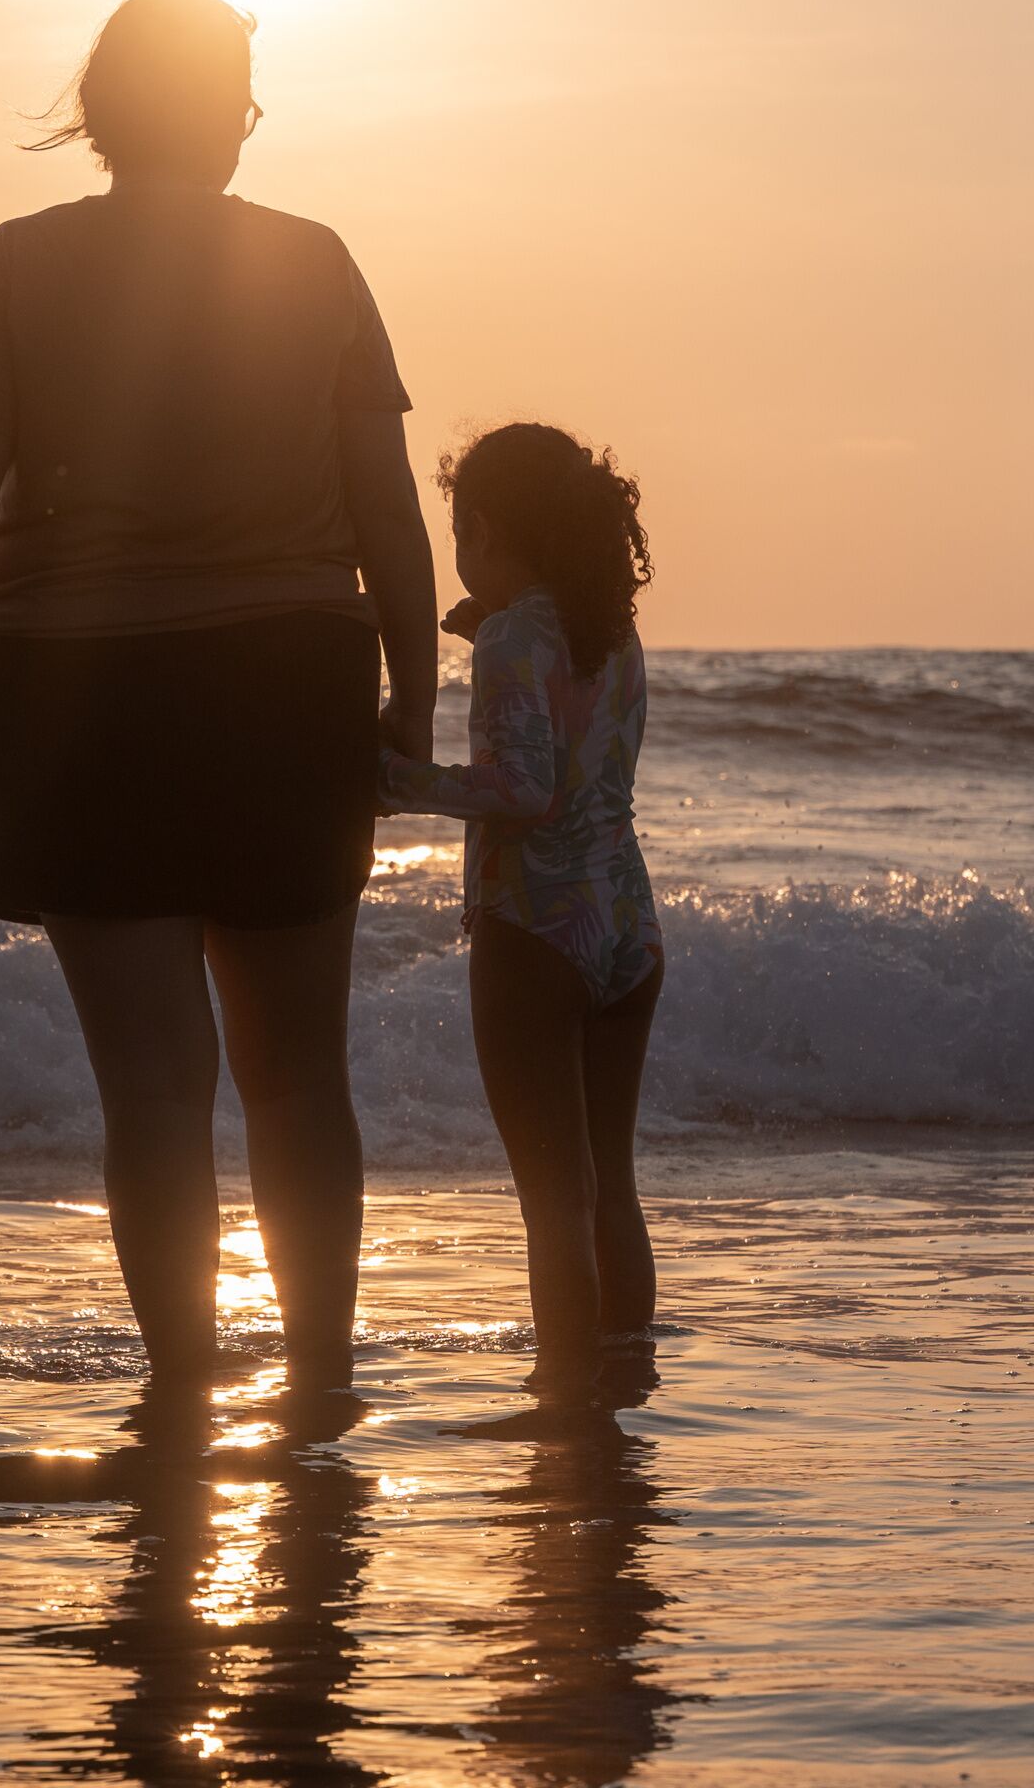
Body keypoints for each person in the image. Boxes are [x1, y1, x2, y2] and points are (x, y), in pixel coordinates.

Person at [0, 0, 441, 1395]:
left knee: (151, 1084)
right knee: (299, 1076)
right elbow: (387, 510)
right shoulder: (314, 260)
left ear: (101, 111)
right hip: (284, 685)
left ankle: (186, 1381)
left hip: (76, 694)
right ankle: (320, 1376)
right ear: (232, 116)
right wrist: (413, 703)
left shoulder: (15, 262)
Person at [381, 423, 662, 1400]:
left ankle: (566, 1399)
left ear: (487, 527)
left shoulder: (512, 638)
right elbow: (573, 738)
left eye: (459, 530)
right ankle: (623, 1387)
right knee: (610, 1186)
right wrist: (489, 634)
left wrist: (392, 778)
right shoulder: (610, 631)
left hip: (537, 929)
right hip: (628, 924)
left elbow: (524, 787)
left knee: (553, 1200)